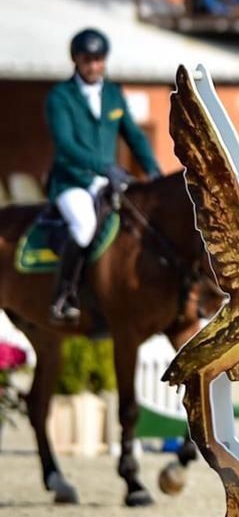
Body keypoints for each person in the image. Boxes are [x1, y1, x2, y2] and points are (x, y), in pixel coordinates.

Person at [45, 28, 161, 323]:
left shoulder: (112, 93)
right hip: (72, 181)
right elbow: (66, 145)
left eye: (99, 59)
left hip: (106, 179)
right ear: (76, 60)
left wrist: (153, 170)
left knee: (135, 223)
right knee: (84, 226)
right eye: (88, 60)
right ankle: (64, 296)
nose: (94, 66)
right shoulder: (60, 97)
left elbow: (133, 135)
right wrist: (104, 167)